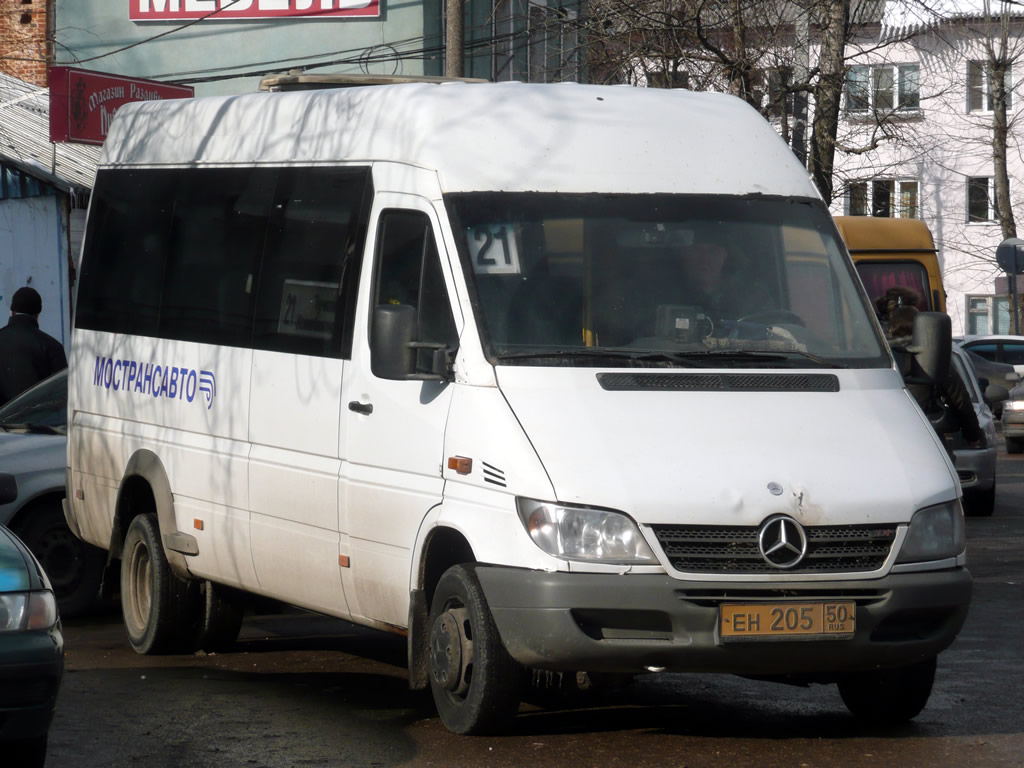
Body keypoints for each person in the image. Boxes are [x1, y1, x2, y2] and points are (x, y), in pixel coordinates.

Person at [884, 297, 984, 447]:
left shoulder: (879, 357)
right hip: (924, 435)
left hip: (884, 435)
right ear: (922, 327)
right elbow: (960, 401)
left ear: (890, 328)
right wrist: (973, 435)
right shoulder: (930, 356)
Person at [0, 286, 68, 406]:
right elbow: (61, 396)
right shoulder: (53, 347)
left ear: (11, 312)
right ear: (37, 314)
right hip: (36, 422)